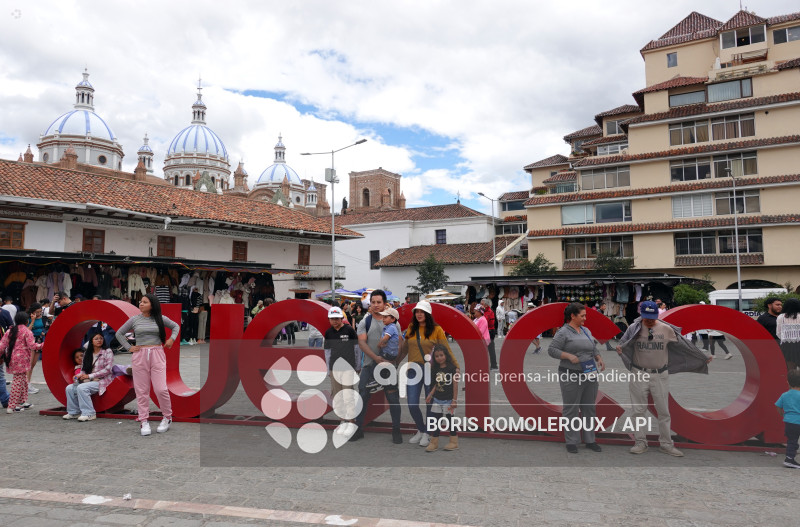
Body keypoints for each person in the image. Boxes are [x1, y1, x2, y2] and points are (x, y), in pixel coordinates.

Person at [616, 300, 713, 457]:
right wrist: (620, 350)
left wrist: (701, 356)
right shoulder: (634, 328)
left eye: (652, 317)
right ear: (641, 315)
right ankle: (640, 442)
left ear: (656, 315)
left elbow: (684, 345)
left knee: (663, 411)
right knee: (637, 411)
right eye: (646, 317)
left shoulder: (666, 329)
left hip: (660, 375)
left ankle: (666, 444)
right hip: (639, 373)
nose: (649, 320)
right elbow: (623, 343)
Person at [114, 293, 179, 436]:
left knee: (161, 389)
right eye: (140, 302)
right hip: (140, 355)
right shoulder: (134, 320)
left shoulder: (160, 319)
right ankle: (144, 420)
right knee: (141, 391)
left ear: (152, 305)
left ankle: (167, 417)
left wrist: (172, 339)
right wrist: (129, 347)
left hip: (157, 353)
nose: (141, 304)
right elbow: (119, 333)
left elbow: (175, 326)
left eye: (145, 302)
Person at [399, 300, 460, 447]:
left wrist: (456, 366)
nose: (419, 314)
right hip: (413, 370)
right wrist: (393, 364)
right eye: (417, 312)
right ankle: (420, 429)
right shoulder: (411, 328)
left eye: (422, 312)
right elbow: (405, 349)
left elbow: (446, 348)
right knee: (412, 403)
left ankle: (427, 432)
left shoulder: (436, 329)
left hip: (430, 371)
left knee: (429, 404)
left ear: (427, 314)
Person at [547, 303, 606, 453]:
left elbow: (593, 347)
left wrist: (598, 358)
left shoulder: (586, 330)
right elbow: (552, 350)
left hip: (590, 371)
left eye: (585, 315)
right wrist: (568, 356)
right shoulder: (563, 332)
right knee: (571, 408)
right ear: (572, 316)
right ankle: (572, 441)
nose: (585, 319)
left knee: (589, 407)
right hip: (570, 373)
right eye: (582, 316)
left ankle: (590, 440)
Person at [351, 289, 403, 444]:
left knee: (393, 398)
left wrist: (395, 362)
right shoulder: (364, 322)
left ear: (385, 304)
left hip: (388, 367)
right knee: (362, 395)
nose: (375, 305)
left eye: (378, 302)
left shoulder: (394, 322)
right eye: (373, 302)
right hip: (369, 365)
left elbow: (400, 343)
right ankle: (358, 429)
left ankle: (396, 430)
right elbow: (361, 342)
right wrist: (375, 358)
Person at [323, 306, 360, 436]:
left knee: (348, 395)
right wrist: (328, 369)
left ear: (342, 318)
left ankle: (351, 422)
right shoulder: (328, 333)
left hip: (348, 368)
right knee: (337, 397)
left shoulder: (349, 330)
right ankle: (342, 422)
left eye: (337, 318)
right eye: (332, 319)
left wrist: (357, 366)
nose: (334, 321)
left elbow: (356, 348)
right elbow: (327, 353)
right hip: (334, 369)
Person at [63, 331, 114, 421]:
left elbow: (108, 370)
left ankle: (89, 413)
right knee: (69, 388)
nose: (99, 340)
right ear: (91, 341)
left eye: (101, 338)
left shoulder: (107, 351)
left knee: (82, 388)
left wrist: (89, 376)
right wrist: (79, 376)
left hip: (102, 380)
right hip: (89, 380)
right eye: (96, 339)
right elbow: (83, 369)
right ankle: (74, 412)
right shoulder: (87, 353)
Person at [1, 311, 42, 412]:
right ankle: (12, 406)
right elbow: (33, 346)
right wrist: (44, 344)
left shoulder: (10, 330)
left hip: (11, 358)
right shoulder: (27, 332)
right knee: (18, 381)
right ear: (26, 321)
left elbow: (2, 345)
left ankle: (22, 401)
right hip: (23, 359)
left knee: (23, 379)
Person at [424, 344, 459, 452]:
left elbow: (455, 385)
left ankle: (454, 442)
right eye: (437, 356)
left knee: (450, 421)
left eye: (441, 355)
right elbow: (436, 384)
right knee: (436, 421)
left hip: (449, 400)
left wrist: (454, 400)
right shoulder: (436, 369)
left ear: (446, 355)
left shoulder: (452, 368)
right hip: (437, 399)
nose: (439, 358)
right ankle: (434, 443)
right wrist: (430, 394)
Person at [775, 369, 800, 469]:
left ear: (788, 382)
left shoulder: (785, 395)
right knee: (793, 441)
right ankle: (789, 460)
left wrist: (783, 415)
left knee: (792, 440)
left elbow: (778, 406)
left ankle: (790, 458)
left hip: (789, 422)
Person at [26, 302, 47, 392]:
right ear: (33, 311)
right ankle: (26, 384)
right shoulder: (29, 318)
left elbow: (40, 328)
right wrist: (33, 320)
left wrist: (42, 333)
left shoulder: (41, 318)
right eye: (37, 312)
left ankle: (28, 383)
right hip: (31, 340)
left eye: (40, 312)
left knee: (33, 364)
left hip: (39, 339)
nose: (39, 314)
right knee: (29, 364)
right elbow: (27, 330)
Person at [777, 298, 800, 371]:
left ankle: (791, 381)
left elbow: (778, 333)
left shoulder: (781, 317)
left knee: (790, 368)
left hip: (786, 345)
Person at [480, 299, 498, 369]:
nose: (480, 305)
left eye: (482, 304)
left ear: (486, 305)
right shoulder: (485, 311)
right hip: (488, 331)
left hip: (490, 331)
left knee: (490, 348)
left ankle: (494, 365)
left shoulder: (489, 312)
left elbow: (485, 321)